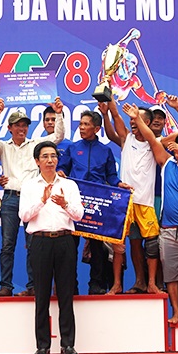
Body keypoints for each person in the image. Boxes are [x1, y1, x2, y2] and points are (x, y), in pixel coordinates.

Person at [123, 103, 178, 324]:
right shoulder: (166, 162)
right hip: (169, 230)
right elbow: (152, 140)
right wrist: (137, 118)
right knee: (172, 276)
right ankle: (177, 312)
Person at [0, 93, 65, 297]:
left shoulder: (35, 146)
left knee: (33, 244)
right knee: (7, 244)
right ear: (10, 128)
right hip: (11, 198)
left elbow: (57, 137)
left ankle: (33, 285)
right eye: (17, 125)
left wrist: (59, 114)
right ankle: (6, 286)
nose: (21, 128)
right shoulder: (3, 147)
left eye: (24, 125)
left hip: (32, 198)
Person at [19, 141, 84, 354]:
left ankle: (67, 344)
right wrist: (42, 201)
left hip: (65, 241)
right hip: (40, 242)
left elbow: (79, 215)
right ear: (37, 161)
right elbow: (24, 216)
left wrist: (65, 204)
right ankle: (43, 345)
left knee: (66, 294)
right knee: (42, 295)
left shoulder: (70, 185)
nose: (50, 160)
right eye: (45, 156)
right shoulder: (29, 186)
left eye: (53, 156)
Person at [57, 110, 130, 295]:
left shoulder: (105, 151)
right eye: (81, 124)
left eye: (86, 124)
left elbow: (111, 177)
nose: (82, 127)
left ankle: (96, 285)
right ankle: (69, 286)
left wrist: (119, 184)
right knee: (69, 247)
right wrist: (60, 172)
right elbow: (62, 168)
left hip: (97, 204)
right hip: (74, 203)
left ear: (97, 128)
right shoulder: (73, 148)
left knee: (97, 248)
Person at [102, 99, 158, 295]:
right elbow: (116, 117)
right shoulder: (126, 138)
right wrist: (109, 101)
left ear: (148, 123)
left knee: (151, 245)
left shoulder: (154, 142)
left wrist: (138, 118)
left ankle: (151, 283)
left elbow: (150, 136)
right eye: (132, 120)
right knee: (119, 244)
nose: (133, 122)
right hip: (125, 201)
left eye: (138, 119)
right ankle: (117, 284)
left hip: (145, 202)